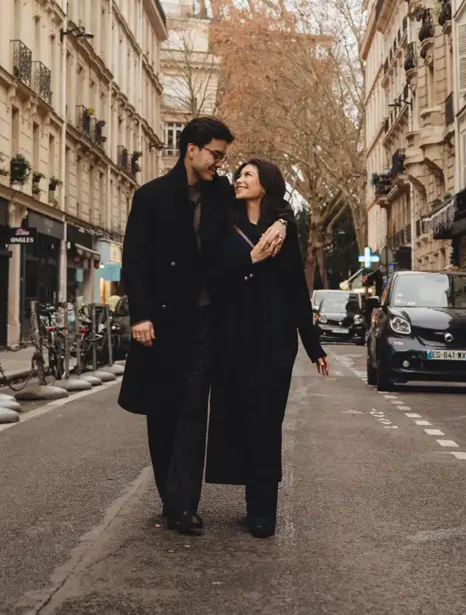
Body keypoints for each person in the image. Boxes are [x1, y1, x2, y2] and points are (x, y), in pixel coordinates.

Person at [118, 117, 287, 537]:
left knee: (194, 409)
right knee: (162, 412)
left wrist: (283, 219)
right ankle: (171, 495)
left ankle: (184, 505)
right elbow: (134, 261)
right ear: (190, 149)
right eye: (215, 154)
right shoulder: (151, 196)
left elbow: (266, 196)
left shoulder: (220, 194)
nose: (220, 163)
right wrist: (139, 315)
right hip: (159, 321)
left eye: (223, 156)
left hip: (205, 320)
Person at [205, 157, 329, 539]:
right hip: (232, 336)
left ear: (267, 183)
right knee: (239, 417)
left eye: (248, 175)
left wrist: (313, 345)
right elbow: (213, 276)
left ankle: (263, 511)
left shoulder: (284, 230)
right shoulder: (225, 221)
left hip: (275, 338)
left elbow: (295, 290)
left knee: (266, 421)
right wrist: (250, 259)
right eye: (238, 174)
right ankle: (249, 502)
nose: (239, 179)